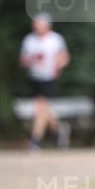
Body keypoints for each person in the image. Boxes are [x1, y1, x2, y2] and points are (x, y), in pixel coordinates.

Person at [19, 12, 70, 149]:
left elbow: (64, 57)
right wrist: (31, 61)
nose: (36, 27)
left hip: (49, 77)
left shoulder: (55, 39)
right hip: (35, 77)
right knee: (44, 108)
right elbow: (23, 60)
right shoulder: (29, 39)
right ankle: (58, 132)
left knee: (40, 107)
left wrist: (58, 66)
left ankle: (35, 139)